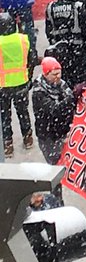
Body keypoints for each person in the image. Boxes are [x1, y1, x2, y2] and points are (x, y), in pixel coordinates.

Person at [0, 12, 32, 156]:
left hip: (3, 85)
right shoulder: (23, 39)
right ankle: (28, 137)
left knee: (5, 116)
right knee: (23, 112)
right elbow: (31, 58)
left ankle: (8, 143)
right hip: (21, 82)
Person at [30, 56, 73, 163]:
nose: (58, 77)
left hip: (62, 131)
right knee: (56, 163)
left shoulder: (61, 84)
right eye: (54, 74)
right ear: (45, 74)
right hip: (48, 135)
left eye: (59, 73)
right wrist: (72, 98)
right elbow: (54, 110)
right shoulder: (39, 92)